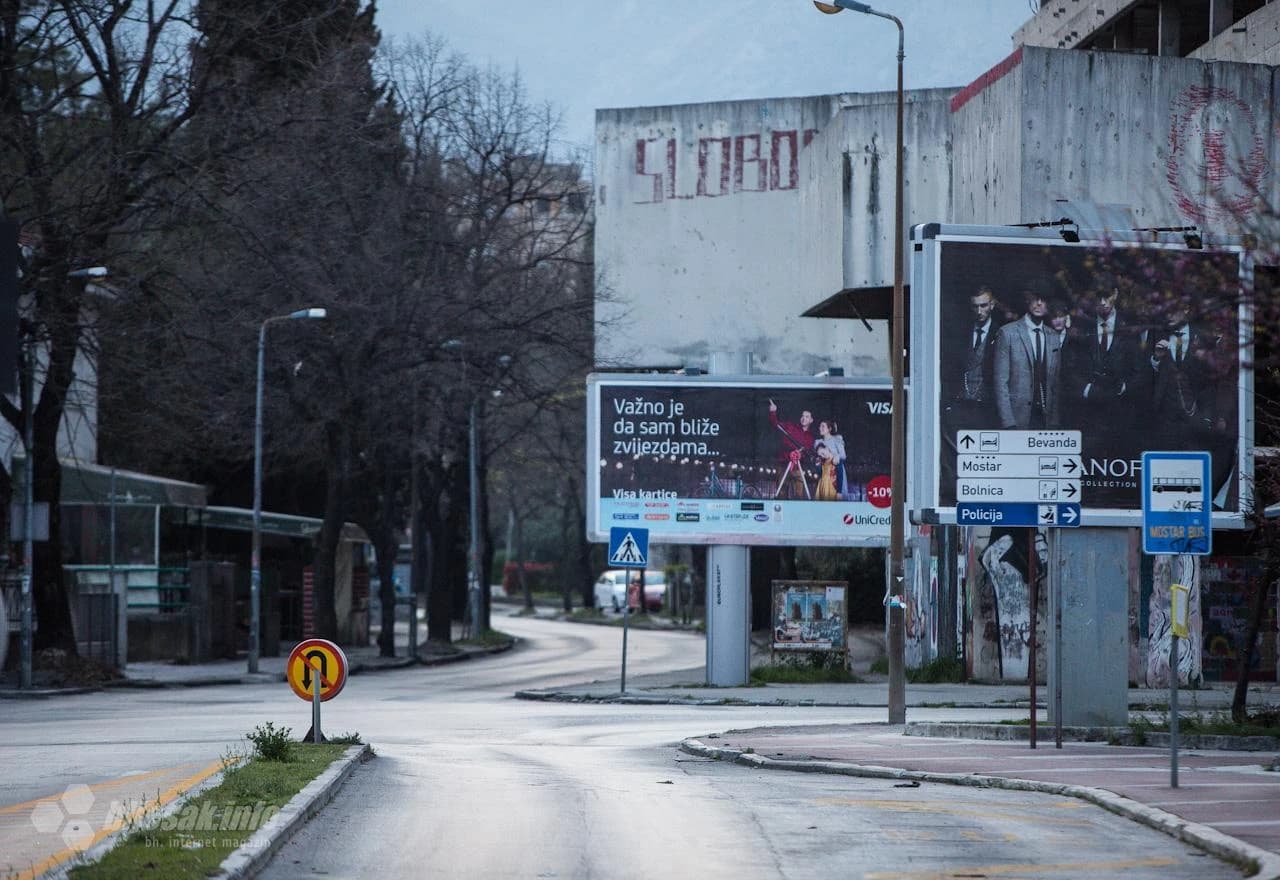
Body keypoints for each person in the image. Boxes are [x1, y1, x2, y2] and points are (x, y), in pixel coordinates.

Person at [1062, 280, 1140, 431]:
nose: (1103, 303)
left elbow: (1139, 367)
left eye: (1107, 296)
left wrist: (1125, 387)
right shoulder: (1080, 325)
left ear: (1115, 294)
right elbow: (1069, 365)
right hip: (1087, 410)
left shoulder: (1130, 323)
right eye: (1099, 298)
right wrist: (1085, 388)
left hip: (1122, 409)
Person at [993, 283, 1062, 429]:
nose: (1038, 303)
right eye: (1035, 298)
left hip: (1045, 420)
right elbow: (1000, 382)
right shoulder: (1008, 333)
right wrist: (1008, 422)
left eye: (1043, 300)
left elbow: (1055, 384)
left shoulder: (1053, 337)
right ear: (1027, 300)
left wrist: (1054, 422)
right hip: (1017, 419)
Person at [944, 285, 1001, 427]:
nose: (979, 311)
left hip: (988, 407)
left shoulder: (1001, 333)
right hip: (960, 405)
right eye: (975, 307)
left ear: (992, 305)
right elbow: (950, 369)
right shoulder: (961, 333)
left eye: (983, 305)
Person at [768, 399, 814, 498]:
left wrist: (800, 453)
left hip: (798, 468)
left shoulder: (810, 437)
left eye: (807, 417)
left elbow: (807, 450)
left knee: (799, 494)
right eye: (802, 416)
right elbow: (775, 423)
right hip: (784, 464)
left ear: (811, 420)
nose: (803, 418)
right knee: (781, 493)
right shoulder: (791, 426)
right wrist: (773, 411)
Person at [815, 419, 846, 500]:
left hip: (835, 472)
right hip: (824, 473)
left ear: (829, 429)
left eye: (823, 426)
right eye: (819, 426)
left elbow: (843, 455)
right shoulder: (818, 442)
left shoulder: (837, 439)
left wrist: (837, 456)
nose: (820, 428)